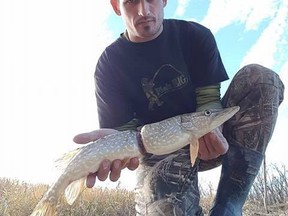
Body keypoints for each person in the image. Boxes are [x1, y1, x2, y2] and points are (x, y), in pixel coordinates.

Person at [73, 0, 285, 215]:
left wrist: (214, 130)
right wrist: (110, 151)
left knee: (261, 79)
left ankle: (229, 207)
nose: (144, 10)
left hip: (212, 139)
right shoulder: (110, 65)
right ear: (116, 6)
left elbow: (209, 98)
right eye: (131, 1)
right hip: (157, 153)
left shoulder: (195, 36)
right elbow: (123, 134)